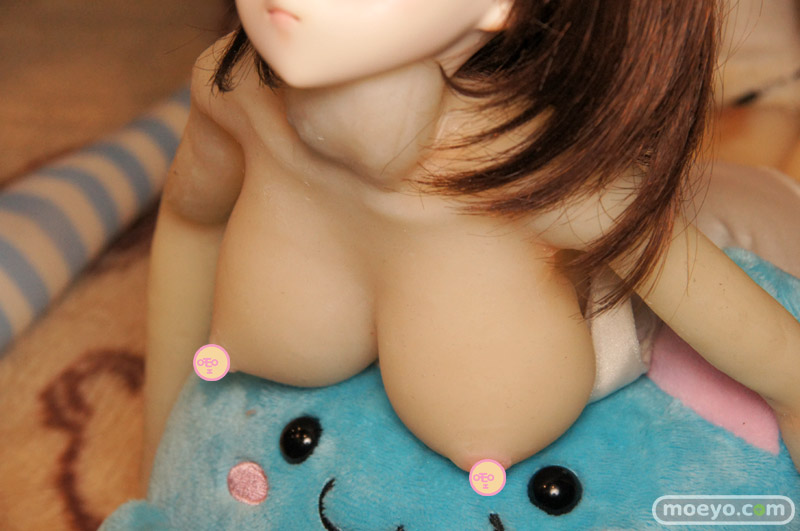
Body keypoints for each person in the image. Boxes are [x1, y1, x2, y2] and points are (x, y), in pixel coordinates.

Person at [141, 0, 800, 487]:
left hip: (751, 233)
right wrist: (152, 479)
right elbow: (192, 222)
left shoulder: (555, 182)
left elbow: (787, 371)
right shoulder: (232, 91)